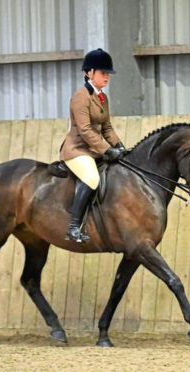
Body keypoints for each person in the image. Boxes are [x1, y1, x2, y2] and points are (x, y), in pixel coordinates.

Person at [60, 48, 126, 243]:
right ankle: (73, 227)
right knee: (91, 177)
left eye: (108, 74)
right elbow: (85, 130)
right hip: (78, 150)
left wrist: (120, 146)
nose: (106, 77)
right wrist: (107, 150)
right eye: (102, 73)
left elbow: (107, 128)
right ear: (90, 73)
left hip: (94, 150)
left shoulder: (102, 98)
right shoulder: (81, 97)